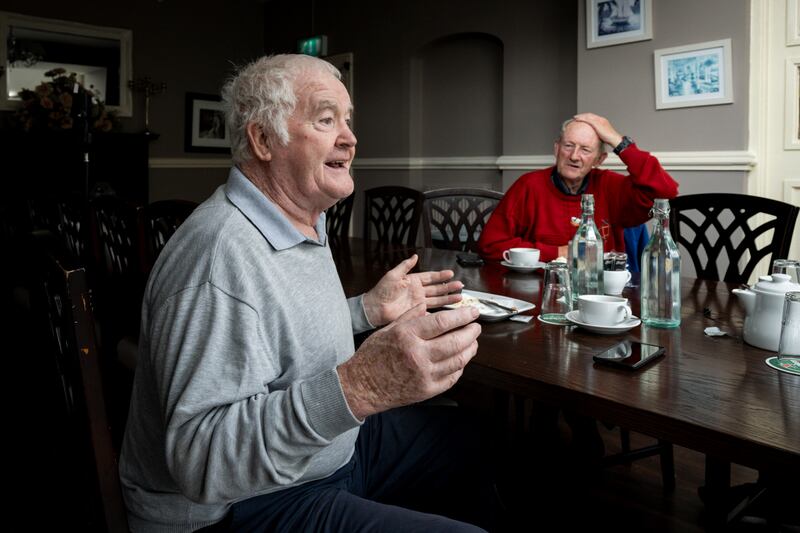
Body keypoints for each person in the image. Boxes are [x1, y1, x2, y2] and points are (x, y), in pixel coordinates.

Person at [119, 54, 495, 532]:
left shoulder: (297, 221)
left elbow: (267, 336)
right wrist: (363, 386)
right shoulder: (218, 260)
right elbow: (199, 461)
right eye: (325, 119)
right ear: (263, 140)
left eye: (347, 120)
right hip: (238, 508)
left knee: (474, 439)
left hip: (321, 458)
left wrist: (365, 311)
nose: (350, 138)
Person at [478, 113, 679, 263]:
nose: (574, 156)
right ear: (556, 149)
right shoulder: (528, 185)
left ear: (599, 159)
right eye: (568, 146)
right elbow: (490, 246)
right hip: (542, 290)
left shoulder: (610, 185)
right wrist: (559, 253)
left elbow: (665, 192)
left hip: (602, 294)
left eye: (585, 149)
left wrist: (619, 141)